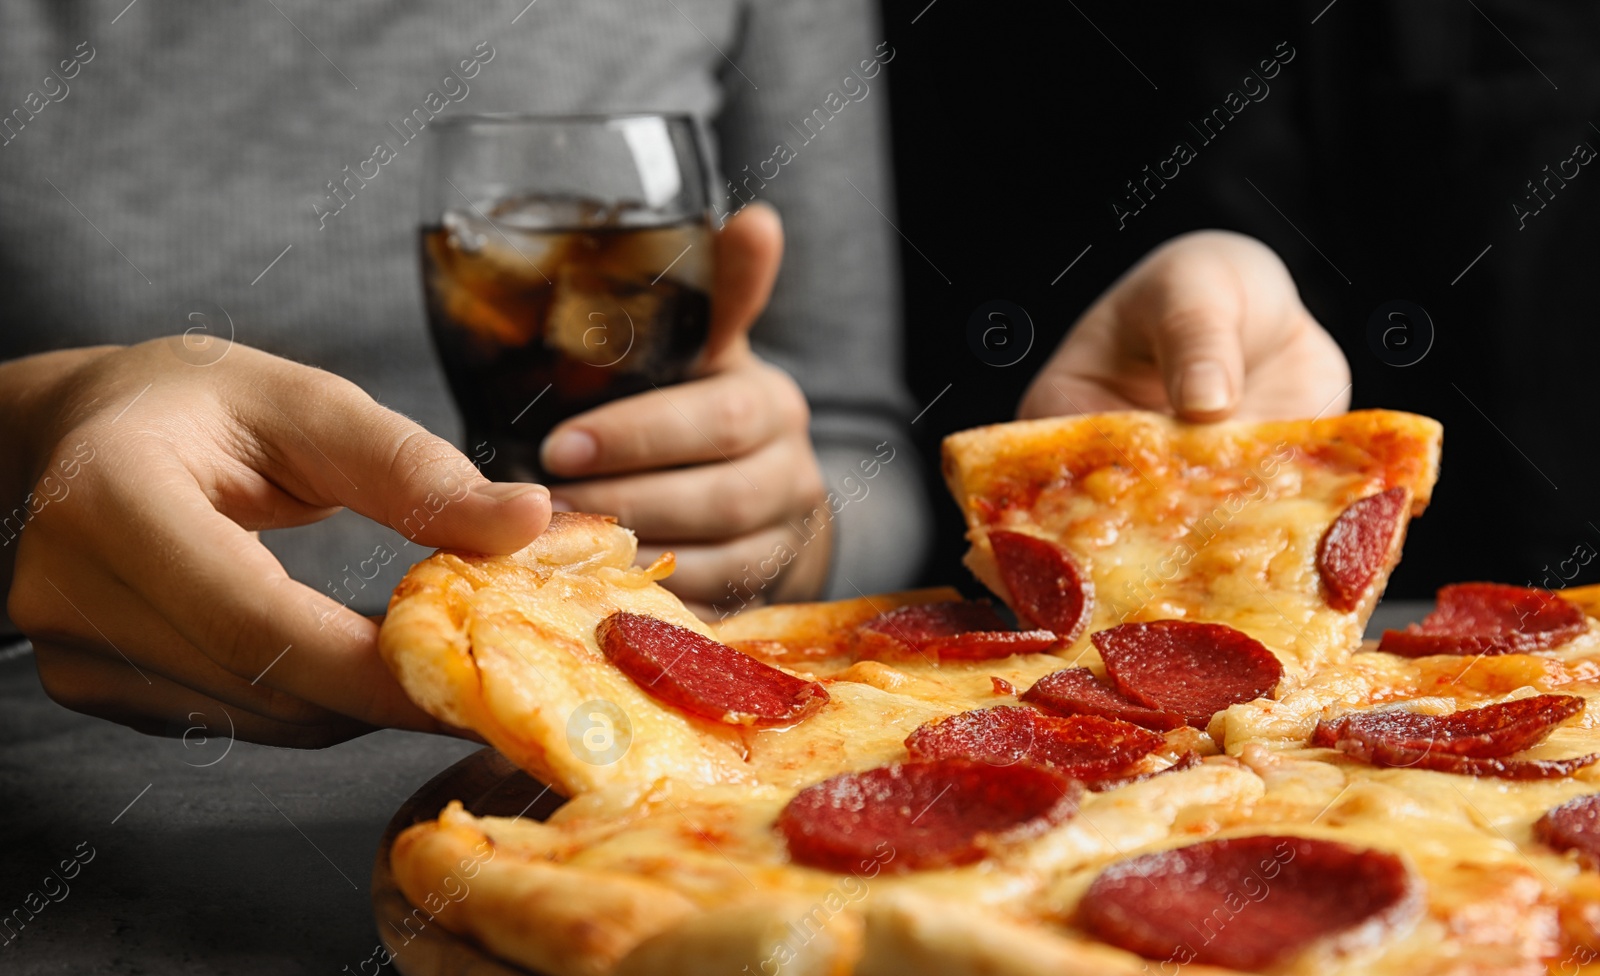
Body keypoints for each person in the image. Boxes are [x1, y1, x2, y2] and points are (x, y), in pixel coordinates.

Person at [0, 3, 1350, 749]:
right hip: (76, 806)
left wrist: (787, 525)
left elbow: (858, 445)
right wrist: (28, 443)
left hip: (671, 757)